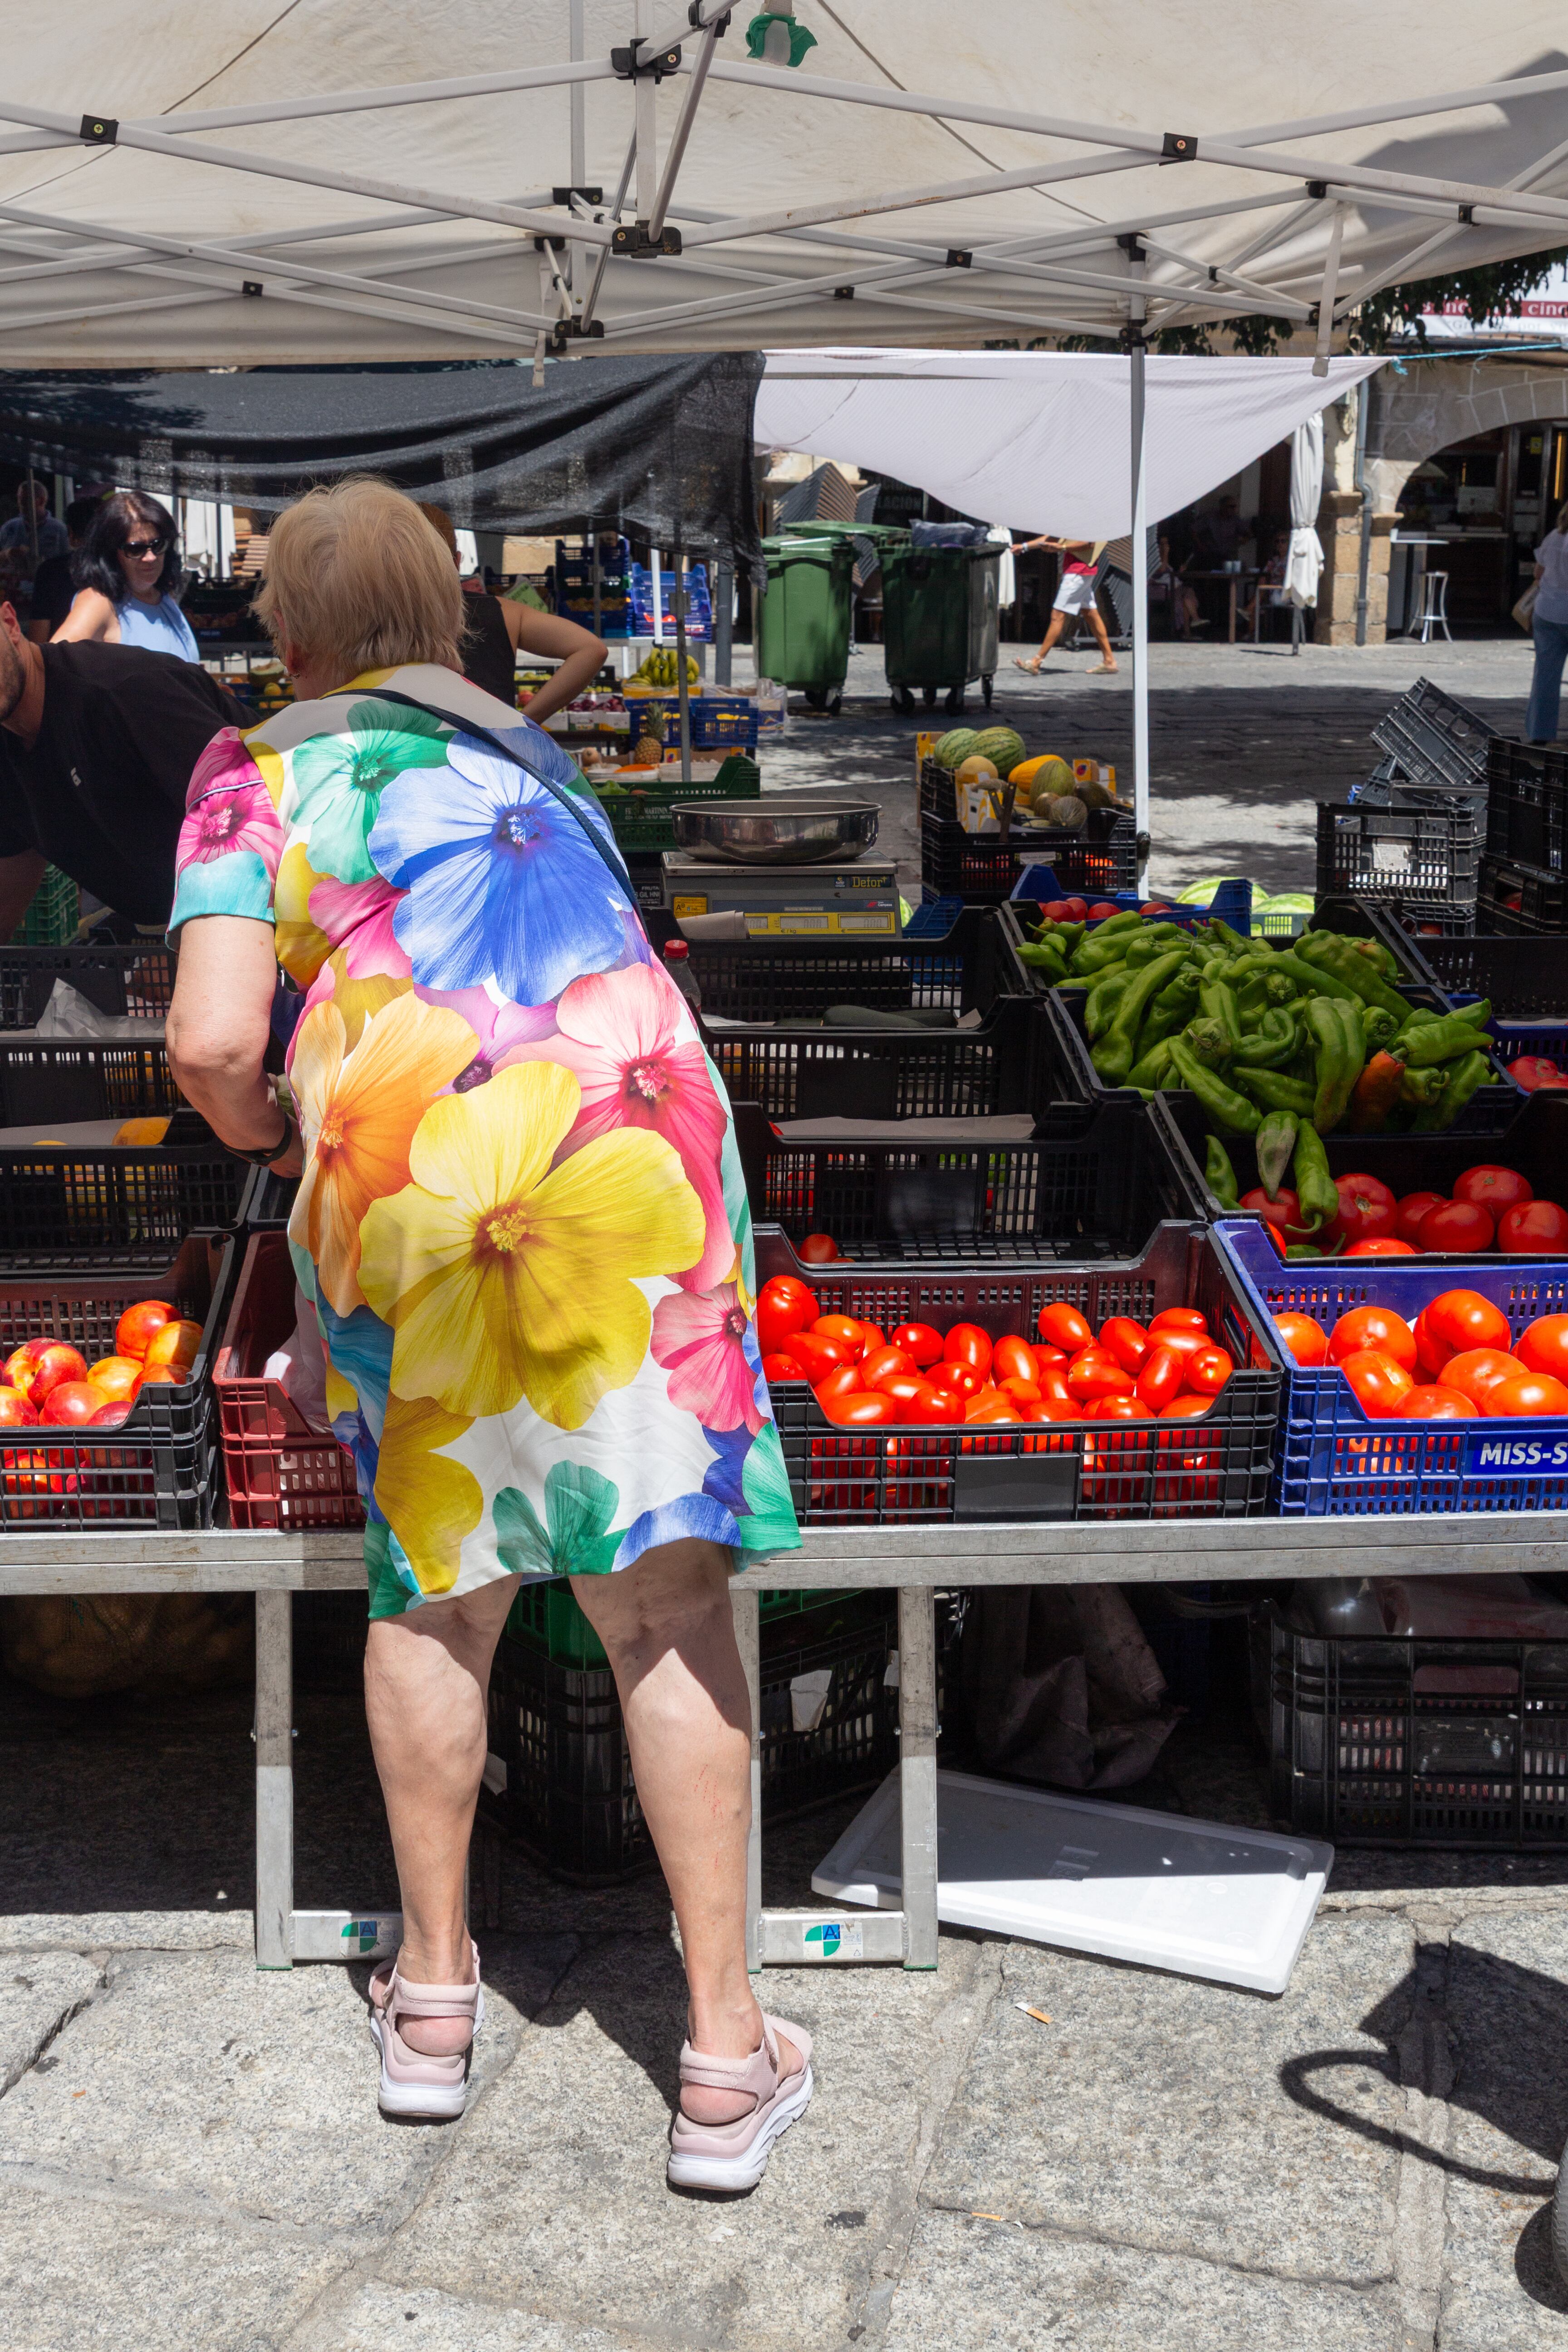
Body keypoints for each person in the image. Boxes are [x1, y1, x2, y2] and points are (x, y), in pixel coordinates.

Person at [162, 479, 809, 2188]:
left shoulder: (254, 770)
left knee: (436, 1594)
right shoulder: (534, 759)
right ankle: (729, 2058)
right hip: (629, 1148)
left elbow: (215, 1041)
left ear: (285, 641)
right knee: (664, 1598)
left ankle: (435, 2004)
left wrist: (288, 1144)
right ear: (453, 622)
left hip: (413, 1175)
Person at [0, 602, 245, 933]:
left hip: (259, 918)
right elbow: (14, 867)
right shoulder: (8, 747)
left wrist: (198, 953)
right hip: (164, 931)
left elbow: (252, 820)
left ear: (11, 623)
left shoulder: (124, 691)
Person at [416, 504, 608, 716]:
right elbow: (592, 649)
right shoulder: (502, 612)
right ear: (457, 562)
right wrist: (526, 724)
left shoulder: (378, 618)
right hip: (491, 747)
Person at [53, 490, 201, 662]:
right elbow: (53, 665)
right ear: (110, 553)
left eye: (158, 545)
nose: (150, 557)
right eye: (135, 549)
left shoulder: (164, 596)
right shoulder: (99, 603)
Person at [1010, 534, 1117, 674]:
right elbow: (1052, 537)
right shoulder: (1071, 519)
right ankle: (1109, 661)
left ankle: (1037, 661)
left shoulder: (1085, 516)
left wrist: (1063, 547)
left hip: (1078, 571)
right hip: (1080, 571)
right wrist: (1024, 547)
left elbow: (1090, 541)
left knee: (1058, 615)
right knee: (1091, 613)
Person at [27, 497, 103, 645]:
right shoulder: (124, 569)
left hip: (61, 661)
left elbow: (38, 642)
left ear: (71, 533)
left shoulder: (50, 571)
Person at [1526, 500, 1568, 743]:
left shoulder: (1554, 537)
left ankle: (1540, 733)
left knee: (1546, 676)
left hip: (1547, 611)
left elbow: (1538, 574)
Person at [0, 479, 68, 570]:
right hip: (13, 582)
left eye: (26, 499)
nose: (21, 503)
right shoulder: (9, 527)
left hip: (45, 581)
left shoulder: (59, 529)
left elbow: (67, 561)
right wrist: (8, 553)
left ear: (42, 500)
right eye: (19, 499)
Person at [1152, 536, 1203, 639]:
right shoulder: (1153, 559)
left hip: (1174, 586)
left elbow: (1169, 575)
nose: (1166, 546)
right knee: (1185, 595)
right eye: (1162, 544)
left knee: (1187, 596)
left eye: (1167, 543)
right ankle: (1195, 621)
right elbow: (1161, 570)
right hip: (1162, 590)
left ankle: (1190, 629)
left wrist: (1179, 572)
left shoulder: (1164, 559)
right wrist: (1165, 554)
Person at [1243, 532, 1290, 636]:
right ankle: (1251, 632)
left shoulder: (1292, 561)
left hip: (1285, 593)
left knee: (1259, 598)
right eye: (1278, 542)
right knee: (1262, 584)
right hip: (1271, 591)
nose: (1280, 544)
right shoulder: (1274, 560)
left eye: (1283, 541)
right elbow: (1265, 574)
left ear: (1289, 543)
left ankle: (1250, 627)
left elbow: (1289, 577)